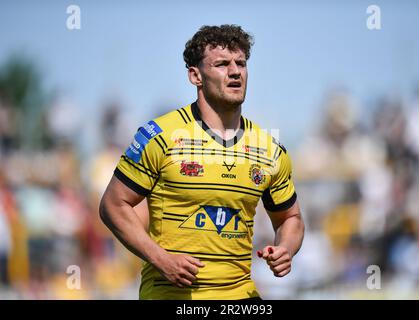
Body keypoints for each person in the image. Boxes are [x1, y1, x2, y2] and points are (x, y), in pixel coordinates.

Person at [99, 24, 305, 300]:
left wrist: (285, 250)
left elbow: (290, 218)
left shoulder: (269, 150)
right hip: (170, 296)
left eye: (241, 63)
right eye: (221, 64)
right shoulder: (161, 136)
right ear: (195, 76)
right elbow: (113, 205)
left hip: (241, 296)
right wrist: (160, 258)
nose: (235, 71)